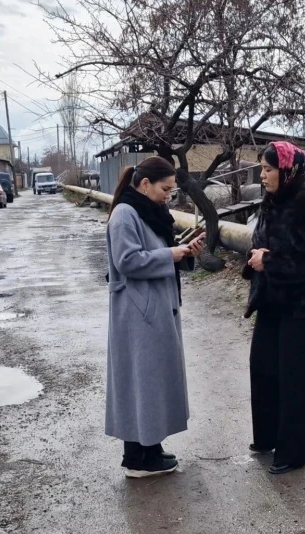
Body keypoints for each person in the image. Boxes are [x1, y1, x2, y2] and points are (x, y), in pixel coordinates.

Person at [105, 156, 205, 478]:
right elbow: (127, 260)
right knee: (141, 382)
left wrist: (184, 252)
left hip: (151, 308)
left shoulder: (148, 210)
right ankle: (137, 459)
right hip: (138, 312)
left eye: (172, 190)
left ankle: (151, 448)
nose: (168, 196)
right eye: (165, 189)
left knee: (151, 381)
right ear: (145, 184)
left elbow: (155, 251)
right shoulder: (125, 213)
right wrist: (171, 254)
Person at [244, 141, 305, 475]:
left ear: (287, 171)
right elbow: (260, 244)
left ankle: (292, 453)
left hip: (303, 306)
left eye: (268, 169)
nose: (262, 175)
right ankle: (267, 437)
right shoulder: (270, 203)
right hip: (271, 301)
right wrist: (256, 259)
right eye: (262, 169)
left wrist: (268, 261)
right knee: (263, 367)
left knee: (293, 378)